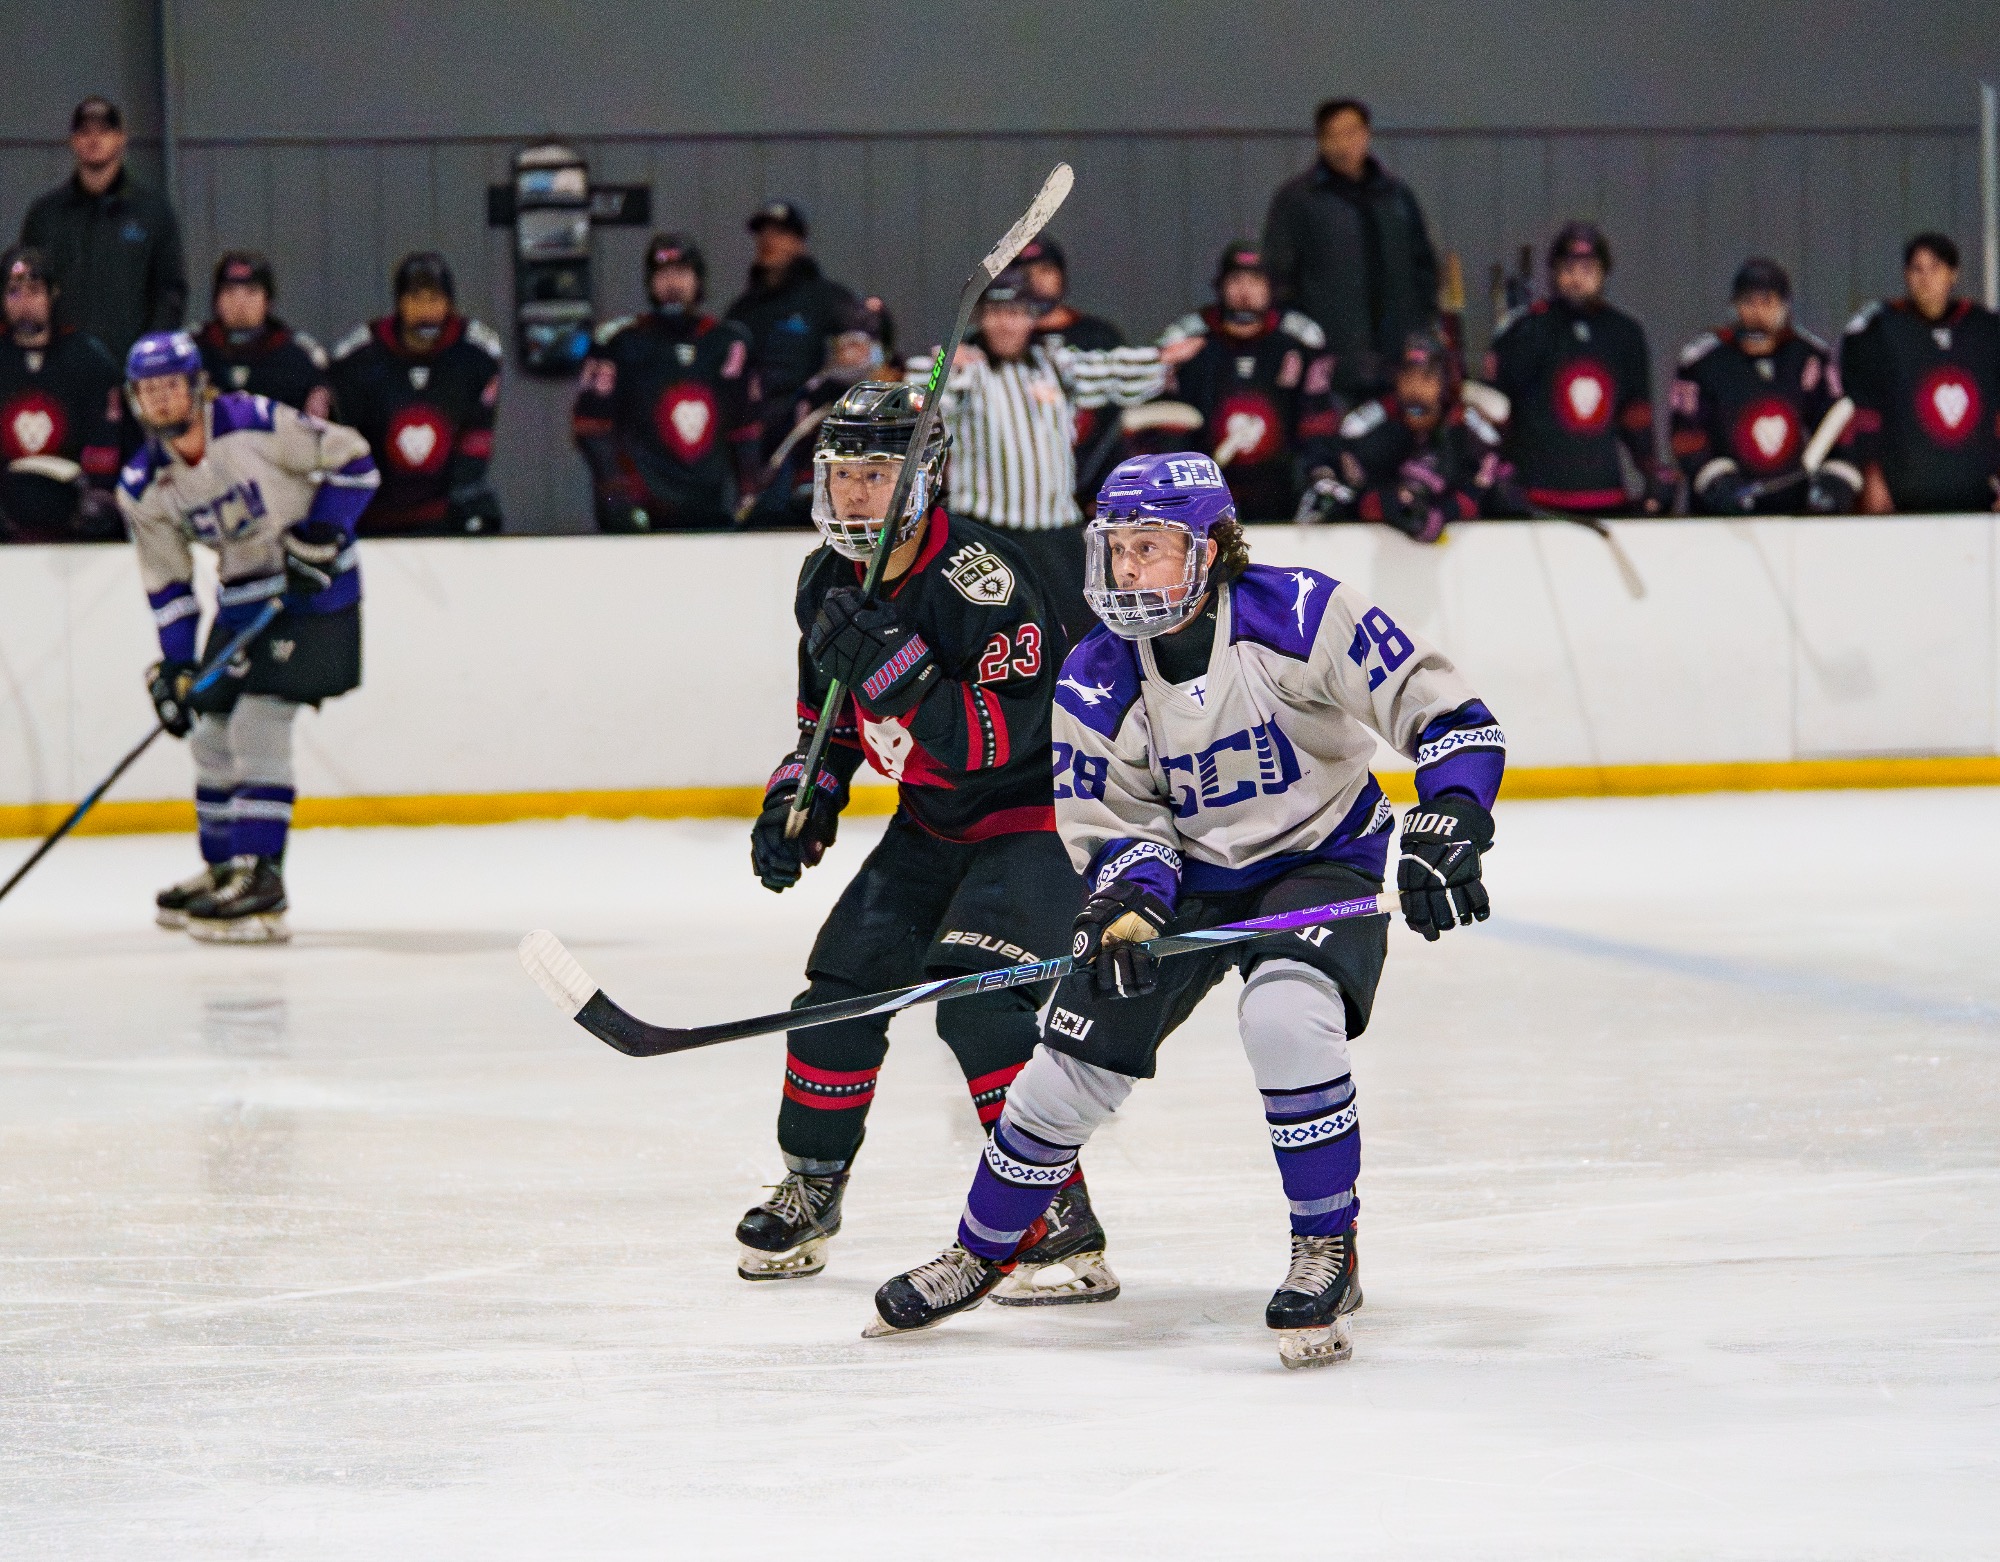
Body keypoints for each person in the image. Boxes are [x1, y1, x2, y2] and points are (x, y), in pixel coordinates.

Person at [866, 450, 1505, 1369]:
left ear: (1211, 548)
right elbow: (1116, 824)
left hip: (1321, 856)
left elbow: (1448, 716)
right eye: (1117, 549)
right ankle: (980, 1251)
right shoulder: (1095, 674)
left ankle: (1328, 1244)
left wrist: (1450, 814)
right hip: (1192, 878)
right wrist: (1128, 903)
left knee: (1286, 1017)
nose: (1127, 571)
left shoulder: (1301, 614)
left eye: (1150, 548)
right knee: (1064, 1069)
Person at [735, 380, 1114, 1305]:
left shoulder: (983, 579)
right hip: (933, 825)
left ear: (923, 479)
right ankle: (814, 1187)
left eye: (876, 474)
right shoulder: (824, 580)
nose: (855, 495)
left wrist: (901, 673)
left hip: (1035, 821)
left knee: (975, 1006)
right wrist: (803, 802)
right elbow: (823, 727)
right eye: (843, 476)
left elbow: (1013, 739)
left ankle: (1053, 1218)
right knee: (837, 991)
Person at [117, 330, 377, 941]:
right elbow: (171, 586)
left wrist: (323, 532)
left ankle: (264, 878)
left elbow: (355, 459)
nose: (161, 400)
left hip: (317, 594)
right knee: (207, 727)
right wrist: (179, 668)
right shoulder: (142, 486)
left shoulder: (253, 423)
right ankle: (226, 870)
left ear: (197, 385)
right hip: (241, 603)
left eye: (171, 385)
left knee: (258, 721)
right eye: (148, 390)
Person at [913, 267, 1188, 650]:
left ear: (1031, 317)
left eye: (1015, 313)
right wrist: (944, 367)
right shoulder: (968, 367)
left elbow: (1111, 371)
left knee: (1084, 634)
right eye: (995, 314)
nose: (1006, 324)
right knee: (983, 635)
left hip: (1055, 531)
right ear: (981, 319)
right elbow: (921, 401)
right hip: (987, 530)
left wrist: (1161, 358)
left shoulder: (1055, 364)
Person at [571, 233, 759, 531]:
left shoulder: (728, 343)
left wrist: (749, 494)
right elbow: (590, 426)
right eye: (663, 274)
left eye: (682, 273)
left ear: (699, 280)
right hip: (640, 507)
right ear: (650, 282)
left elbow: (746, 428)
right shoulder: (619, 342)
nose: (672, 284)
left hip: (710, 506)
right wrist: (616, 494)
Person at [1486, 222, 1675, 517]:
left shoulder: (1625, 333)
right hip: (1536, 499)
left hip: (1605, 495)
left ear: (1603, 274)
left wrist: (1651, 469)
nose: (1576, 279)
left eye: (1587, 270)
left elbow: (1635, 414)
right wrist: (1498, 468)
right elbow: (1499, 409)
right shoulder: (1525, 329)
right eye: (1568, 269)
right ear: (1553, 273)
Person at [1261, 98, 1439, 400]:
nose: (1346, 143)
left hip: (1396, 355)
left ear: (1367, 135)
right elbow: (1278, 278)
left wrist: (1418, 329)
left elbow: (1423, 267)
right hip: (1328, 360)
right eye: (1336, 134)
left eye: (1353, 132)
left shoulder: (1395, 197)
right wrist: (1303, 342)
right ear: (1322, 141)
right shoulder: (1298, 201)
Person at [1158, 241, 1341, 521]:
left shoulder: (1302, 340)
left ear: (1272, 287)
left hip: (1280, 491)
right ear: (1220, 285)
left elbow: (1317, 418)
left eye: (1255, 281)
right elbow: (1166, 422)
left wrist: (1321, 472)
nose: (1245, 292)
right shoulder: (1187, 341)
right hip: (1204, 493)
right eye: (1236, 280)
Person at [328, 252, 505, 535]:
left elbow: (477, 433)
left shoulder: (476, 354)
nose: (425, 310)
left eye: (433, 299)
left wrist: (462, 490)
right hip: (375, 512)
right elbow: (343, 438)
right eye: (415, 299)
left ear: (449, 303)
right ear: (399, 302)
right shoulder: (361, 357)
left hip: (444, 511)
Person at [1670, 258, 1855, 516]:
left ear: (1784, 306)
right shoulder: (1703, 362)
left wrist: (1836, 479)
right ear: (1734, 307)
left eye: (1767, 302)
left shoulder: (1809, 357)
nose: (1757, 313)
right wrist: (1715, 478)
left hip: (1794, 513)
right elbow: (1685, 433)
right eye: (1748, 302)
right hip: (1722, 519)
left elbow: (1838, 425)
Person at [19, 97, 187, 366]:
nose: (94, 140)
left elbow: (169, 294)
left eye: (104, 131)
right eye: (85, 132)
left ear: (121, 139)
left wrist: (149, 361)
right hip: (60, 371)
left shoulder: (153, 213)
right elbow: (25, 291)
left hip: (129, 373)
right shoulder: (45, 215)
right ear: (73, 141)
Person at [1839, 233, 2000, 514]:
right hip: (1904, 492)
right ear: (1906, 275)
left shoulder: (1985, 330)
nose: (1926, 279)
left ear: (1953, 274)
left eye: (1935, 268)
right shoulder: (1880, 330)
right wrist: (1872, 477)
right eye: (1917, 269)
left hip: (1975, 493)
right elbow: (1864, 411)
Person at [1322, 330, 1526, 541]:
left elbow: (1488, 481)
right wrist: (1390, 504)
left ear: (1444, 380)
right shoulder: (1376, 420)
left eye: (1427, 376)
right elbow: (1353, 480)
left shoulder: (1464, 422)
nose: (1415, 388)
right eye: (1408, 375)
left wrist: (1444, 512)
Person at [0, 246, 124, 542]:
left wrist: (96, 496)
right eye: (13, 292)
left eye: (34, 290)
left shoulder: (88, 358)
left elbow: (108, 439)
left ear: (52, 294)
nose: (24, 302)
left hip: (76, 519)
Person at [725, 201, 864, 460]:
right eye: (763, 233)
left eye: (779, 233)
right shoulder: (743, 310)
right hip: (751, 443)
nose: (768, 240)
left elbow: (863, 361)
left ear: (799, 242)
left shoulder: (829, 301)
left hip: (811, 438)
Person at [1019, 236, 1129, 504]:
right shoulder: (995, 342)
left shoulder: (1099, 337)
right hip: (1019, 494)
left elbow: (1120, 419)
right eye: (1025, 274)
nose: (1035, 281)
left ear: (1061, 276)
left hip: (1095, 493)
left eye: (1045, 271)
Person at [194, 252, 332, 418]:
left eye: (251, 292)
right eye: (229, 291)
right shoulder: (192, 350)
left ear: (268, 301)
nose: (240, 302)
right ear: (216, 300)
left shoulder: (297, 355)